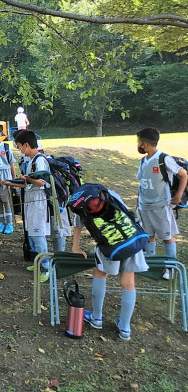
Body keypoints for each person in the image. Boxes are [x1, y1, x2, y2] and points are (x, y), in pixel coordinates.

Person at [71, 187, 149, 341]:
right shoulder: (110, 194)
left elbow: (78, 225)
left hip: (109, 247)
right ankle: (125, 327)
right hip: (131, 241)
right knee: (128, 283)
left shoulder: (80, 206)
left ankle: (96, 317)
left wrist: (76, 247)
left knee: (100, 274)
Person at [136, 128, 187, 279]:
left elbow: (184, 175)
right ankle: (150, 264)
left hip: (161, 206)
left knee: (166, 236)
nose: (137, 145)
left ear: (144, 144)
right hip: (145, 206)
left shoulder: (164, 159)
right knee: (148, 235)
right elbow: (142, 182)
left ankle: (170, 268)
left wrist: (178, 196)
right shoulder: (143, 161)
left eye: (138, 142)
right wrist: (139, 202)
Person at [3, 130, 51, 282]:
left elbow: (43, 182)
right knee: (32, 234)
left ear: (26, 145)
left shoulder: (40, 160)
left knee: (38, 235)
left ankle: (46, 267)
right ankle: (38, 262)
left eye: (19, 147)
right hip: (31, 200)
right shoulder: (30, 160)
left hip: (39, 202)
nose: (19, 150)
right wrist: (11, 182)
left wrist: (28, 178)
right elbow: (28, 183)